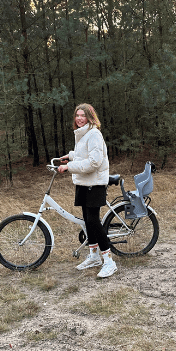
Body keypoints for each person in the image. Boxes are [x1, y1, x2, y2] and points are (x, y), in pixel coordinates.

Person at [57, 103, 116, 278]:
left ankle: (109, 261)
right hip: (84, 182)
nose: (79, 118)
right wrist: (71, 156)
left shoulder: (94, 134)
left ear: (90, 117)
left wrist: (69, 166)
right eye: (77, 115)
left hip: (95, 183)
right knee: (87, 221)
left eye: (83, 115)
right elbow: (85, 154)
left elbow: (94, 162)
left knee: (93, 221)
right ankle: (94, 256)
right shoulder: (83, 134)